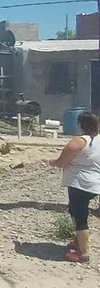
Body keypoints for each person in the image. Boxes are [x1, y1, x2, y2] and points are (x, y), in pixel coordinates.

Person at [49, 111, 100, 263]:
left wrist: (51, 162)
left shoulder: (77, 142)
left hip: (79, 184)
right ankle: (80, 241)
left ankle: (83, 254)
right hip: (95, 182)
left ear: (80, 125)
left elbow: (61, 163)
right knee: (74, 211)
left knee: (80, 218)